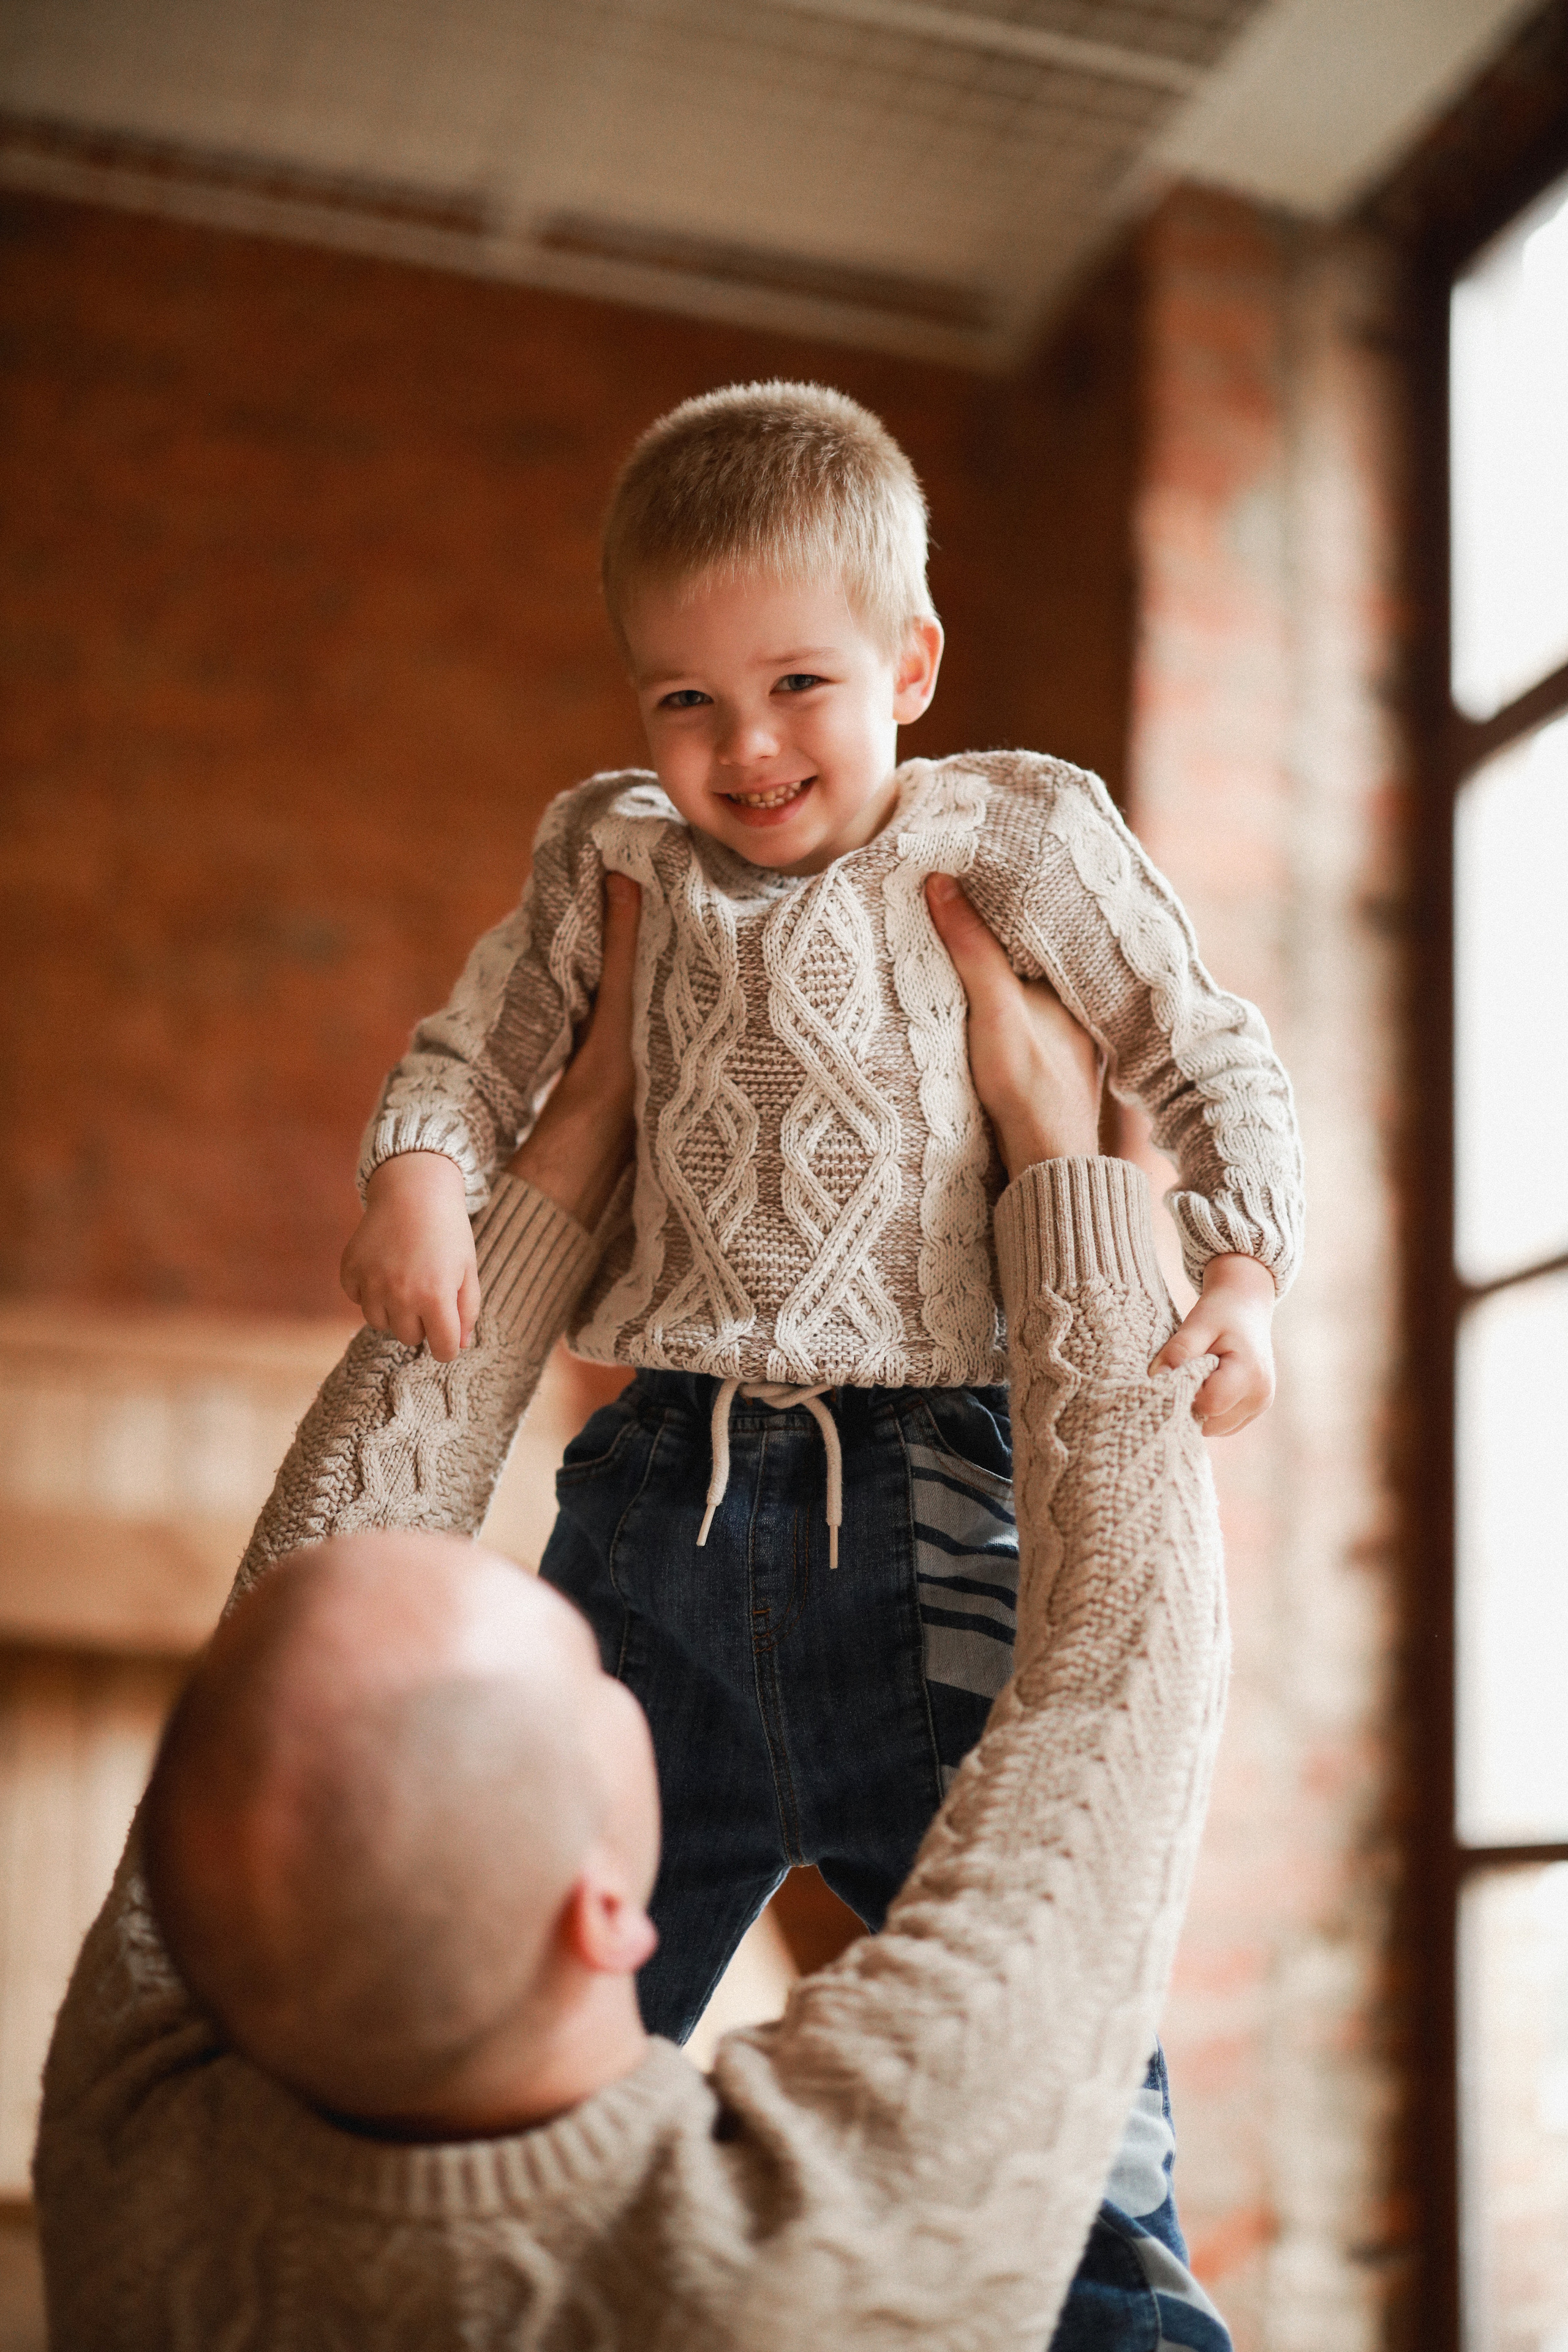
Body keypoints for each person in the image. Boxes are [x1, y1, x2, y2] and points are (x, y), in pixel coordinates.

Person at [36, 876, 1232, 2349]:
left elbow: (320, 1559)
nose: (627, 1654)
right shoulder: (806, 2239)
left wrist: (572, 1137)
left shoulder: (133, 2162)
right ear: (608, 1911)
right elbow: (1117, 1701)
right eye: (592, 1679)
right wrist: (1065, 1166)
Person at [338, 383, 1299, 2066]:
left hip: (935, 1486)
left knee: (1031, 2015)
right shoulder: (613, 853)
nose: (746, 748)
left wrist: (1245, 1264)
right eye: (685, 699)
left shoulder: (1015, 832)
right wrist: (418, 1170)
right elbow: (475, 1051)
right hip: (658, 1497)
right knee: (540, 2021)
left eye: (800, 686)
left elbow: (1196, 1039)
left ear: (910, 668)